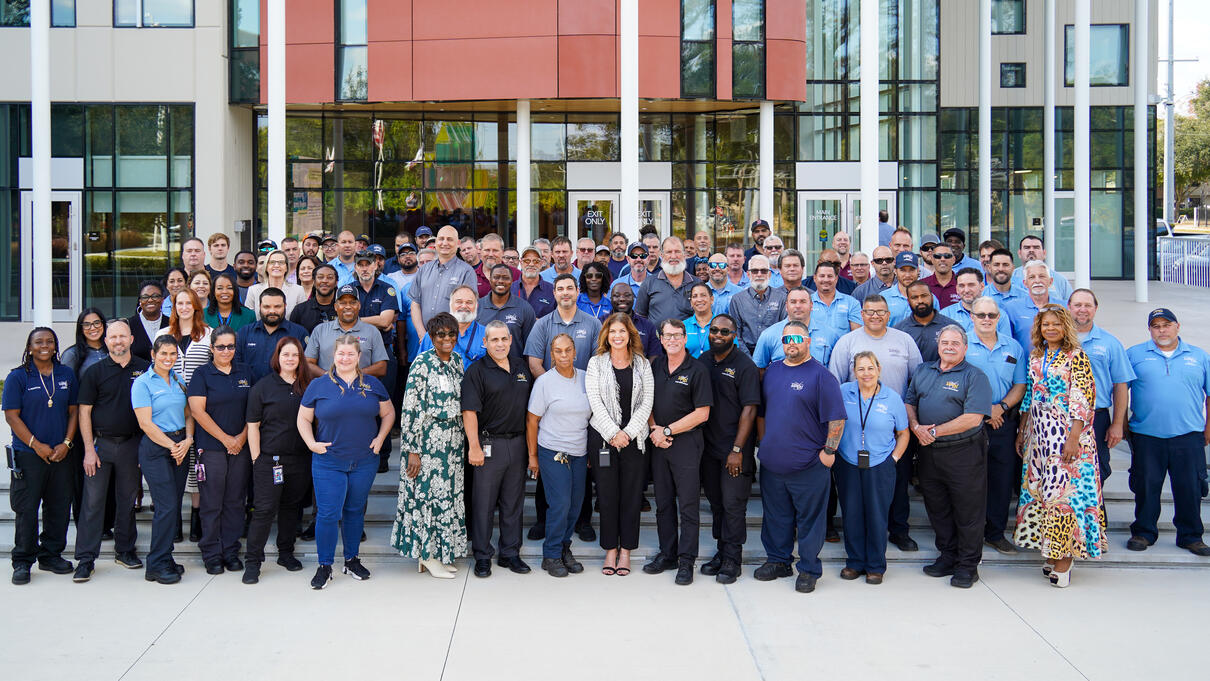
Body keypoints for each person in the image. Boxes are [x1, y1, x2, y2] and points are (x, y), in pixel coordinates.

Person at [1012, 305, 1106, 585]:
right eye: (1045, 325)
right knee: (1042, 494)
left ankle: (1065, 560)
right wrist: (1022, 430)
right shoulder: (1037, 355)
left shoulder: (1076, 356)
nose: (1050, 329)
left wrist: (1073, 438)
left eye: (1056, 324)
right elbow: (1030, 394)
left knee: (1064, 497)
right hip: (1039, 438)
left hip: (1067, 437)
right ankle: (1052, 552)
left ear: (1066, 327)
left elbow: (1083, 398)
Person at [753, 321, 845, 594]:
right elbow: (762, 412)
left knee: (810, 520)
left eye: (796, 338)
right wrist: (763, 443)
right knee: (776, 517)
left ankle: (808, 569)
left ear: (808, 341)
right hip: (773, 463)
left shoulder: (821, 376)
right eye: (786, 339)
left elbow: (837, 418)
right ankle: (779, 561)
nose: (791, 343)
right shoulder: (772, 371)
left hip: (809, 465)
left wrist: (829, 452)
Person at [828, 293, 923, 553]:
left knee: (898, 481)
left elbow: (918, 379)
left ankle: (899, 530)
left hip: (894, 420)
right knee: (854, 492)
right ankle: (857, 543)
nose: (875, 316)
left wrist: (909, 413)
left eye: (880, 311)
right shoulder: (847, 342)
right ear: (862, 314)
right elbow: (834, 382)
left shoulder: (904, 340)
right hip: (855, 428)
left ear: (888, 314)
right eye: (869, 311)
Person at [299, 334, 393, 589]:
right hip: (328, 461)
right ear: (333, 355)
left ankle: (351, 559)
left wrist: (381, 438)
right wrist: (311, 443)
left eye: (351, 354)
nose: (345, 358)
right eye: (341, 354)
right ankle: (324, 565)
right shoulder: (319, 385)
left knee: (354, 511)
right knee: (328, 514)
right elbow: (303, 418)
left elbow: (388, 412)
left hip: (364, 461)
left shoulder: (372, 384)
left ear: (359, 357)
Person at [904, 325, 992, 588]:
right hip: (929, 452)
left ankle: (967, 565)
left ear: (965, 347)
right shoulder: (923, 370)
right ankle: (947, 556)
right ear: (938, 345)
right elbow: (910, 402)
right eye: (945, 342)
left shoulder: (975, 376)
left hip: (963, 452)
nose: (950, 347)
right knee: (938, 508)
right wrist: (916, 427)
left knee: (968, 511)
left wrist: (933, 431)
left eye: (956, 342)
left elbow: (973, 418)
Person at [1124, 308, 1210, 557]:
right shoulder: (1135, 355)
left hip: (1188, 435)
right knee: (1146, 485)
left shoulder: (1199, 356)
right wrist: (1120, 423)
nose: (1161, 330)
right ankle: (1143, 532)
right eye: (1156, 326)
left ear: (1177, 326)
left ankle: (1191, 536)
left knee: (1190, 487)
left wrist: (1208, 429)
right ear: (1150, 329)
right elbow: (1120, 390)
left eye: (1166, 325)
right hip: (1147, 435)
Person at [392, 313, 469, 578]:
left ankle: (442, 552)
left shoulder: (458, 362)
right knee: (427, 499)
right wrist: (412, 449)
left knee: (447, 498)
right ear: (432, 337)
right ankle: (427, 555)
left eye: (451, 334)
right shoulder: (423, 363)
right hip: (426, 442)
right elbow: (411, 407)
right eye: (440, 335)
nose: (447, 339)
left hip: (453, 442)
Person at [73, 319, 148, 581]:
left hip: (132, 444)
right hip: (100, 445)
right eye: (113, 337)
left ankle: (125, 550)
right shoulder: (95, 372)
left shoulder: (144, 369)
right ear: (106, 341)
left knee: (127, 501)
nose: (118, 341)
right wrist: (88, 450)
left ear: (131, 339)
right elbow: (84, 412)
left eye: (122, 336)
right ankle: (85, 559)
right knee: (92, 503)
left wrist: (144, 448)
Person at [4, 328, 79, 585]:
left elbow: (74, 411)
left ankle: (50, 555)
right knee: (26, 509)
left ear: (56, 346)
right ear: (30, 346)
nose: (44, 346)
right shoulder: (18, 377)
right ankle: (23, 561)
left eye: (49, 342)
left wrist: (67, 443)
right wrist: (36, 445)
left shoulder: (66, 374)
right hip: (28, 454)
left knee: (58, 507)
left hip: (61, 454)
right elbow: (11, 416)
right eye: (39, 342)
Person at [642, 319, 712, 585]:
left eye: (677, 335)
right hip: (658, 443)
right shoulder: (655, 365)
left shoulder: (697, 369)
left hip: (686, 445)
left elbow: (702, 413)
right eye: (667, 335)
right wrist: (654, 430)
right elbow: (645, 400)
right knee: (663, 504)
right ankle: (667, 553)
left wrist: (668, 431)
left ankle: (686, 561)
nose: (672, 340)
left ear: (685, 338)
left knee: (689, 506)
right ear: (660, 339)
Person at [462, 321, 534, 578]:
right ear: (485, 342)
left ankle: (510, 553)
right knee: (483, 503)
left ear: (511, 340)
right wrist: (474, 446)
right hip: (488, 444)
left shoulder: (520, 367)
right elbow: (469, 412)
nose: (500, 344)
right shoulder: (477, 371)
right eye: (494, 340)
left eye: (504, 339)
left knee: (513, 502)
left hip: (517, 443)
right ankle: (482, 555)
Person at [585, 313, 654, 577]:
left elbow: (646, 403)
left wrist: (627, 433)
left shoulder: (643, 365)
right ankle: (610, 550)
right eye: (612, 332)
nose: (617, 336)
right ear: (606, 335)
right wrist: (614, 433)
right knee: (607, 496)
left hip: (635, 442)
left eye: (622, 332)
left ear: (630, 335)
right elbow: (595, 402)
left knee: (631, 496)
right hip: (603, 439)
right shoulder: (596, 364)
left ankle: (626, 550)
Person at [834, 351, 909, 584]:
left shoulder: (892, 398)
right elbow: (834, 423)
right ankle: (855, 562)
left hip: (880, 463)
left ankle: (875, 565)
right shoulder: (844, 391)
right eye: (860, 369)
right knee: (852, 513)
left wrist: (894, 459)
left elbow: (903, 433)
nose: (866, 373)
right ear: (854, 372)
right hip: (847, 462)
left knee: (877, 515)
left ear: (879, 369)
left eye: (870, 368)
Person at [243, 336, 312, 584]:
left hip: (300, 460)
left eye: (295, 355)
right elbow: (253, 426)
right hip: (269, 461)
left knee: (291, 509)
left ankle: (286, 553)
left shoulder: (308, 386)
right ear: (277, 357)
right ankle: (252, 563)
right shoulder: (263, 387)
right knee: (263, 511)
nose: (290, 359)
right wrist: (256, 459)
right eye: (286, 355)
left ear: (300, 358)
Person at [186, 327, 254, 575]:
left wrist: (241, 438)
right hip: (212, 448)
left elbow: (253, 410)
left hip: (240, 447)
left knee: (236, 502)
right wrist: (226, 439)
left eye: (231, 346)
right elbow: (197, 411)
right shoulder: (202, 374)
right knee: (212, 503)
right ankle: (212, 553)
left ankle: (231, 551)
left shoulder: (245, 371)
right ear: (212, 349)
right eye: (221, 347)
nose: (227, 351)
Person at [963, 297, 1027, 554]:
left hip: (1003, 421)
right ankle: (969, 533)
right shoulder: (961, 344)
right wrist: (983, 409)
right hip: (968, 422)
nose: (987, 319)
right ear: (972, 317)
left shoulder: (1014, 347)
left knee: (1000, 480)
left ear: (999, 317)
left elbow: (1021, 384)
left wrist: (1000, 408)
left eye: (991, 315)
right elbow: (955, 380)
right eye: (981, 315)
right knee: (969, 480)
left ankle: (995, 533)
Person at [699, 314, 760, 583]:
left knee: (733, 505)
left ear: (734, 335)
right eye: (714, 330)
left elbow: (750, 409)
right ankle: (721, 552)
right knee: (717, 504)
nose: (718, 335)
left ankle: (733, 559)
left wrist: (737, 449)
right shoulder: (703, 362)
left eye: (724, 332)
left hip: (735, 451)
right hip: (708, 449)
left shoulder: (744, 365)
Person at [526, 333, 592, 578]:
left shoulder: (586, 378)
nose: (563, 355)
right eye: (558, 351)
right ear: (551, 355)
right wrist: (533, 457)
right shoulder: (544, 382)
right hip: (552, 450)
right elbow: (532, 420)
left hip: (579, 451)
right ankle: (551, 554)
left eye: (567, 350)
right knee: (560, 503)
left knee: (575, 506)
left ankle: (565, 548)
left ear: (575, 352)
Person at [131, 335, 194, 584]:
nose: (168, 358)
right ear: (153, 355)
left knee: (174, 506)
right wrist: (172, 446)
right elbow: (145, 423)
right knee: (166, 506)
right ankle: (155, 564)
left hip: (179, 444)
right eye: (164, 354)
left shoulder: (178, 380)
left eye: (173, 354)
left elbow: (189, 413)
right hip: (157, 448)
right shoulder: (143, 383)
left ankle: (165, 557)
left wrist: (187, 440)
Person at [156, 288, 212, 543]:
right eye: (180, 302)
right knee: (174, 465)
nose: (184, 307)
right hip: (171, 409)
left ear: (196, 306)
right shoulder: (163, 335)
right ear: (173, 306)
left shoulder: (208, 334)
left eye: (189, 302)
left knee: (195, 466)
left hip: (201, 408)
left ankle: (196, 519)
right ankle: (174, 519)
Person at [1067, 289, 1134, 486]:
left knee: (1097, 472)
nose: (1082, 310)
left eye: (1088, 305)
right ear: (1069, 307)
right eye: (1078, 305)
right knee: (1064, 472)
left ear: (1095, 309)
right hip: (1062, 417)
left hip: (1097, 417)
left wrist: (1117, 424)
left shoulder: (1110, 343)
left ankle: (1095, 516)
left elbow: (1120, 385)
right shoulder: (1055, 341)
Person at [525, 274, 602, 376]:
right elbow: (534, 365)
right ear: (554, 293)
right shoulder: (541, 325)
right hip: (551, 390)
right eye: (560, 289)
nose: (565, 293)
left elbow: (599, 364)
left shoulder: (594, 324)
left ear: (577, 291)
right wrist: (553, 387)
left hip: (583, 390)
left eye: (569, 288)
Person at [306, 284, 390, 378]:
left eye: (353, 302)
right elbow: (308, 363)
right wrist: (330, 377)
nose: (348, 306)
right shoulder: (320, 330)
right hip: (327, 388)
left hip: (361, 388)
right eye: (343, 303)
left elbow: (381, 368)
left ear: (359, 305)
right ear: (335, 306)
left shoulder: (372, 331)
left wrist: (354, 375)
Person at [409, 225, 478, 333]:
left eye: (450, 239)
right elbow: (415, 304)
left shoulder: (466, 272)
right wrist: (422, 335)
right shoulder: (424, 269)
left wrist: (450, 337)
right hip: (426, 337)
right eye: (441, 239)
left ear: (458, 243)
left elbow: (468, 308)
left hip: (453, 339)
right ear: (436, 242)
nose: (444, 243)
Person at [754, 288, 832, 369]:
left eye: (803, 301)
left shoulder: (829, 334)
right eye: (793, 302)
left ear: (811, 305)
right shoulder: (769, 335)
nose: (798, 306)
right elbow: (758, 369)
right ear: (786, 306)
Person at [729, 254, 788, 354]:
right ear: (748, 274)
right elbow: (735, 335)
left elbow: (785, 330)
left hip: (775, 353)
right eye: (755, 271)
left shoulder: (781, 298)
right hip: (746, 354)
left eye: (764, 271)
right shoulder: (737, 300)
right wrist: (750, 361)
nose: (759, 274)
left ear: (769, 274)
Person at [1003, 260, 1066, 353]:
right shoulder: (1011, 308)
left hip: (1059, 365)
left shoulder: (1064, 307)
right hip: (1024, 366)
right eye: (1032, 277)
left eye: (1042, 276)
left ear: (1050, 281)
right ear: (1025, 283)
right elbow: (1007, 342)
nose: (1037, 281)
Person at [478, 263, 536, 361]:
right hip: (482, 370)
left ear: (512, 281)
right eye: (496, 277)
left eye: (505, 278)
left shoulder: (524, 308)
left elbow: (530, 348)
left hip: (514, 370)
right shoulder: (477, 307)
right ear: (490, 279)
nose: (500, 281)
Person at [635, 236, 698, 327]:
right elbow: (640, 318)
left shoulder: (696, 284)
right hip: (656, 340)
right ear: (662, 255)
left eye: (677, 251)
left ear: (684, 254)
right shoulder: (649, 283)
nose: (673, 256)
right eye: (669, 252)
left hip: (689, 340)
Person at [417, 285, 486, 365]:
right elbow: (419, 367)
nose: (464, 306)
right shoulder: (432, 334)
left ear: (476, 306)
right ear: (450, 304)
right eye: (459, 302)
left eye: (469, 302)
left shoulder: (487, 334)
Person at [894, 280, 958, 362]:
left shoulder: (951, 327)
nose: (920, 301)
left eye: (924, 296)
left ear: (932, 297)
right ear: (908, 301)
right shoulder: (899, 330)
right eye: (914, 297)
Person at [941, 268, 1012, 339]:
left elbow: (1006, 345)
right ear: (957, 289)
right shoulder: (945, 315)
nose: (966, 290)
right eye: (962, 286)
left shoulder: (998, 315)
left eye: (971, 285)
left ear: (982, 286)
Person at [246, 249, 308, 319]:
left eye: (281, 262)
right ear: (266, 267)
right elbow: (249, 319)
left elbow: (303, 318)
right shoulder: (253, 290)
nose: (276, 265)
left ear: (286, 267)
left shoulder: (298, 290)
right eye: (272, 262)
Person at [810, 262, 862, 340]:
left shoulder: (851, 303)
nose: (826, 279)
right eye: (822, 276)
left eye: (830, 276)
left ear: (836, 279)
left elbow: (857, 335)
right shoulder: (806, 303)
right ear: (815, 278)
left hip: (843, 351)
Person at [1011, 235, 1074, 300]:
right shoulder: (1010, 279)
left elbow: (1070, 306)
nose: (1031, 250)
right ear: (1019, 253)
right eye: (1027, 248)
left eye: (1036, 247)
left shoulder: (1060, 280)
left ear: (1044, 253)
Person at [611, 281, 662, 358]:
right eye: (617, 296)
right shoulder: (600, 323)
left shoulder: (648, 326)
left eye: (627, 295)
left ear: (634, 298)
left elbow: (655, 356)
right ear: (611, 299)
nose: (622, 299)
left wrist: (644, 370)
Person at [290, 263, 339, 332]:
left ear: (336, 282)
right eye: (320, 277)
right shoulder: (300, 310)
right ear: (314, 281)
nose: (324, 281)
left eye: (330, 277)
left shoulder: (342, 309)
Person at [129, 281, 170, 361]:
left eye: (155, 296)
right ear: (140, 301)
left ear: (162, 300)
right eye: (145, 297)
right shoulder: (129, 325)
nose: (150, 300)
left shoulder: (172, 324)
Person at [512, 245, 557, 318]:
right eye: (527, 261)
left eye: (536, 261)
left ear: (541, 263)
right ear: (521, 262)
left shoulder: (552, 290)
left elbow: (557, 319)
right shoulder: (510, 289)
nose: (531, 264)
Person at [920, 243, 961, 308]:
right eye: (938, 256)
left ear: (953, 259)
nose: (942, 259)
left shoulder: (962, 284)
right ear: (932, 260)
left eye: (947, 256)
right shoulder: (921, 285)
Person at [683, 282, 717, 358]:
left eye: (703, 295)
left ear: (712, 299)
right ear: (691, 302)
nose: (699, 299)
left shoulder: (722, 324)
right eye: (694, 296)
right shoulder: (682, 326)